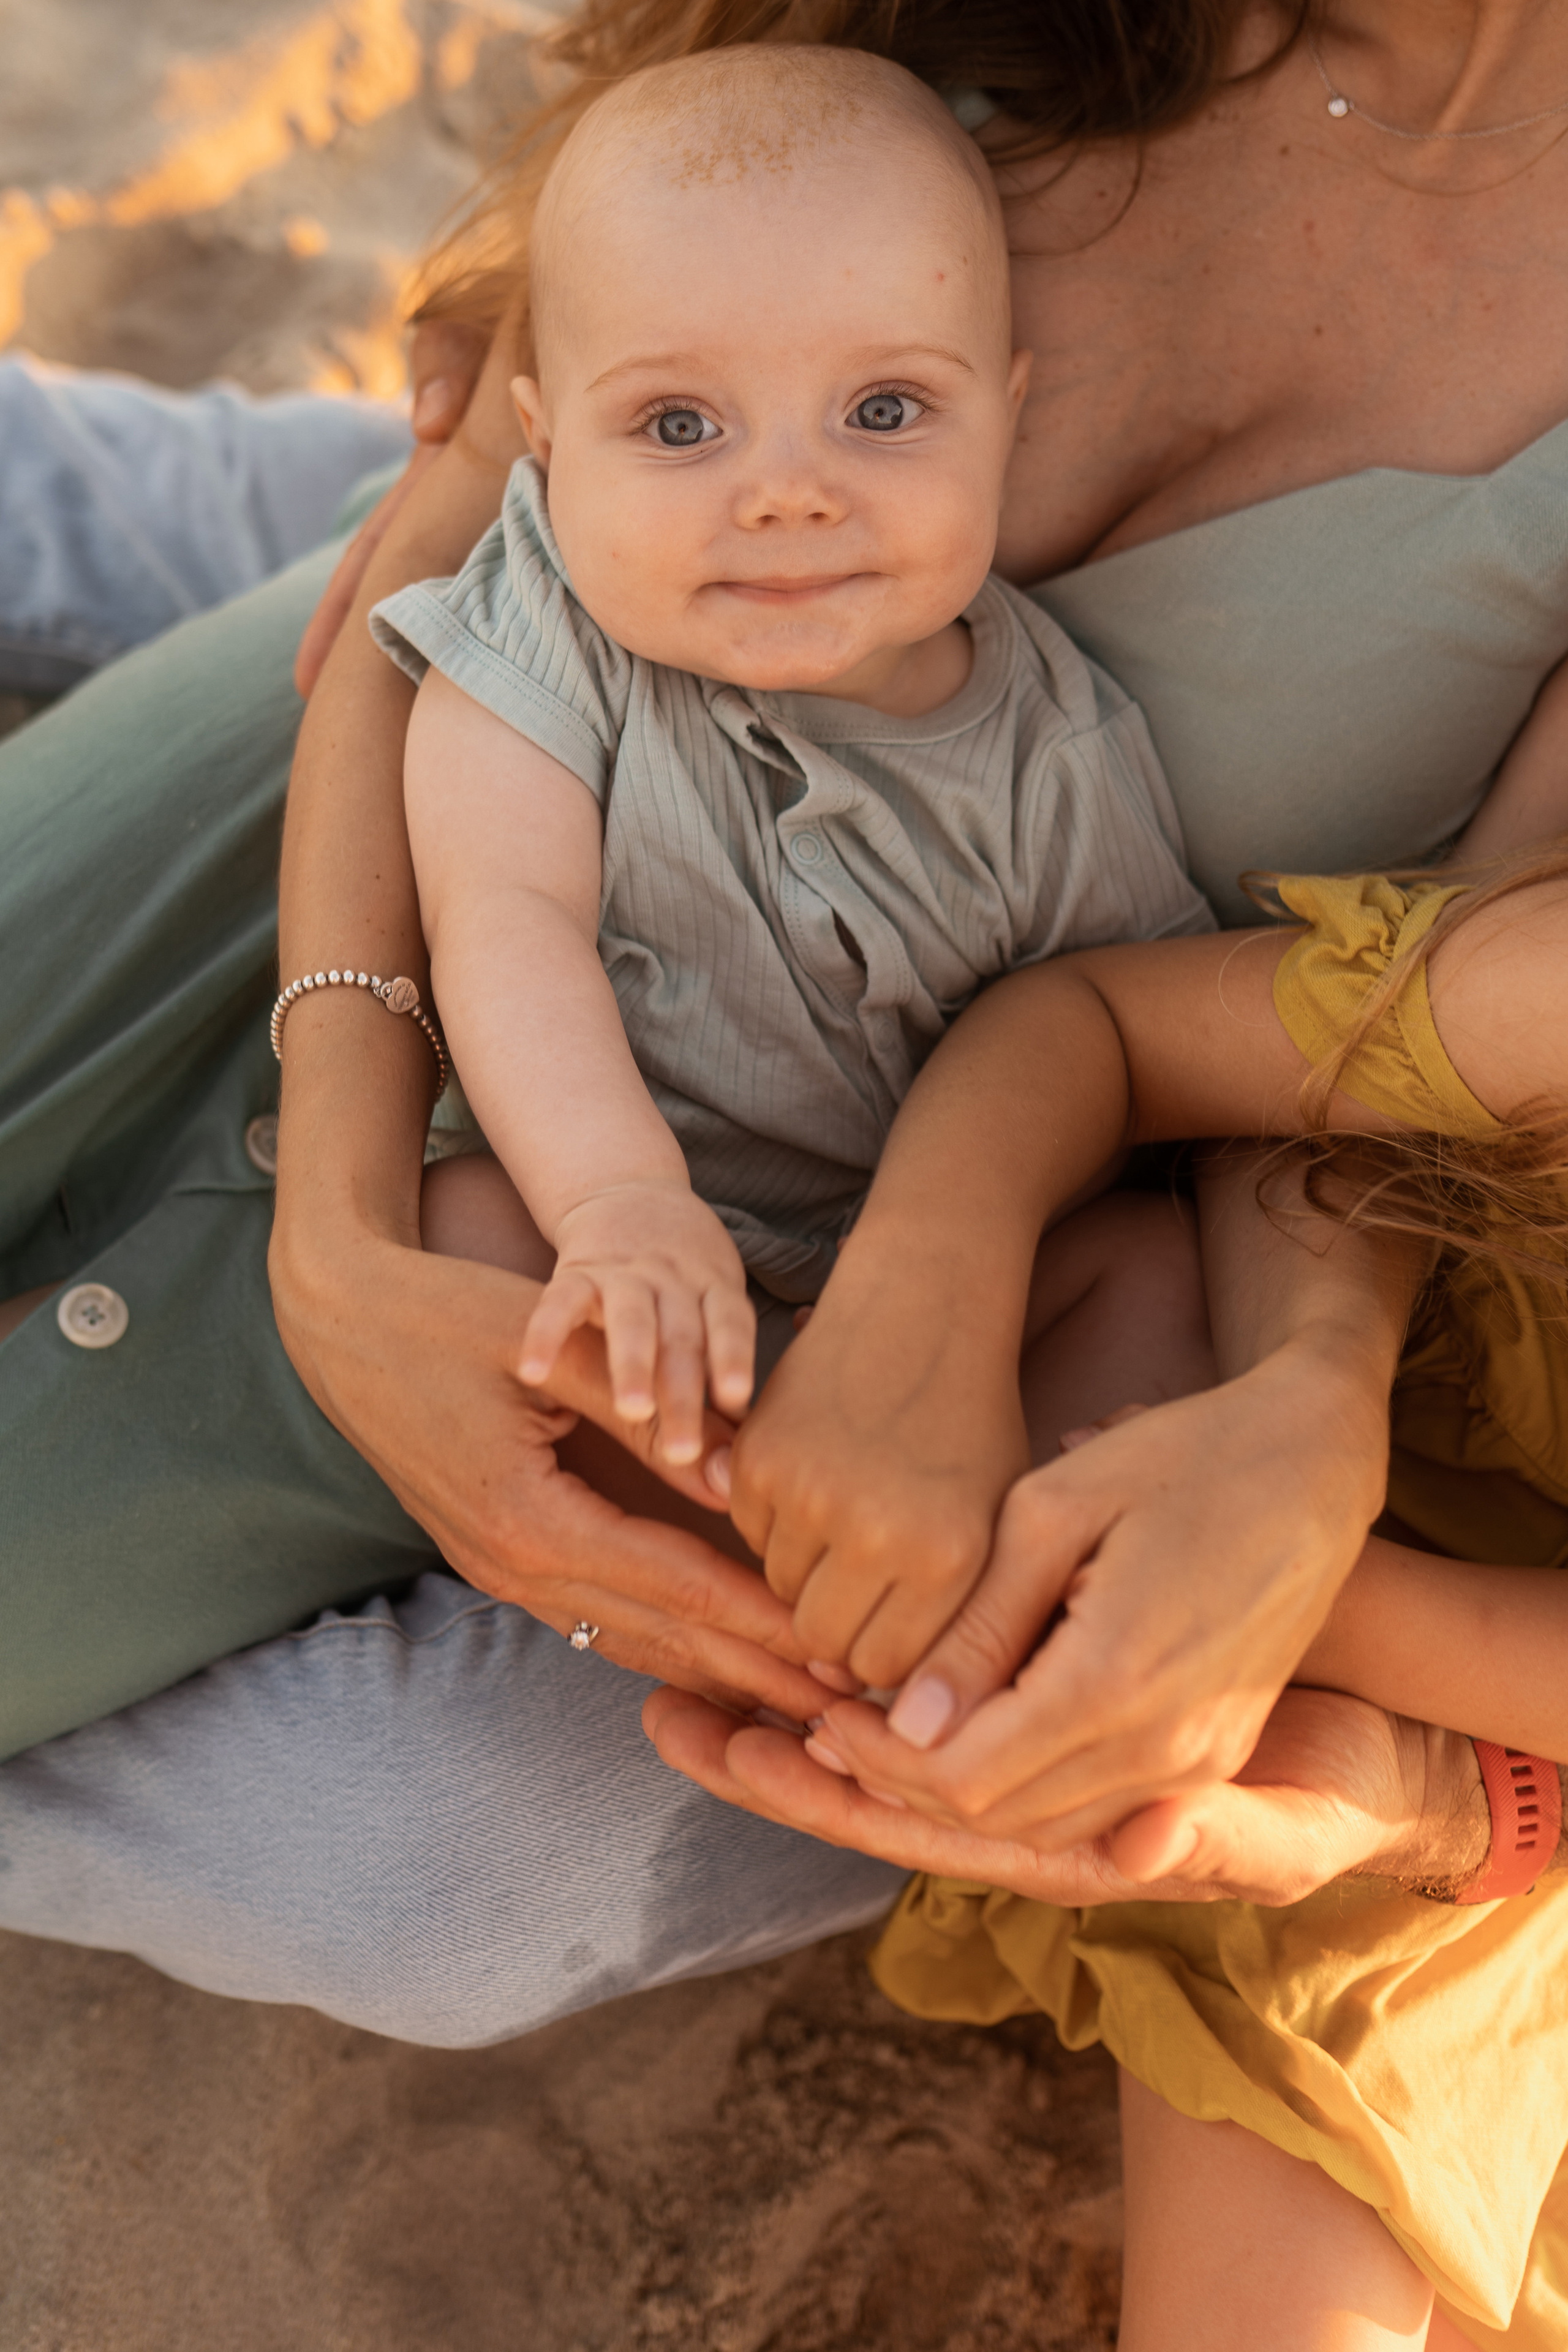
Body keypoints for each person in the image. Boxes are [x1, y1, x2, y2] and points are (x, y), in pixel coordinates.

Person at [0, 0, 1562, 2188]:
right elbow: (474, 554)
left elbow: (1416, 1037)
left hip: (883, 1239)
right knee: (310, 582)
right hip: (423, 796)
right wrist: (345, 1214)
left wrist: (1301, 1419)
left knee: (404, 1862)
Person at [372, 48, 1210, 1494]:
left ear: (1004, 418)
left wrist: (928, 1311)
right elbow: (501, 920)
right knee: (465, 1233)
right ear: (544, 443)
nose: (785, 490)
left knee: (1144, 1263)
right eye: (679, 426)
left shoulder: (1052, 744)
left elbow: (1134, 1067)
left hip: (923, 1288)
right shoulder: (546, 632)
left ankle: (1008, 1551)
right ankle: (743, 1565)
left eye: (882, 411)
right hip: (607, 1223)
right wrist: (617, 1201)